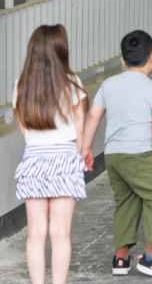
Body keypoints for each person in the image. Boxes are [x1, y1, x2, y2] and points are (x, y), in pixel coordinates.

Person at [83, 30, 152, 278]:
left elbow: (94, 116)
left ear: (123, 60)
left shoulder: (109, 84)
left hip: (113, 157)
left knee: (127, 201)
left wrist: (85, 148)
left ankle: (121, 259)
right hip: (138, 154)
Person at [13, 24, 88, 284]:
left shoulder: (21, 86)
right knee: (60, 234)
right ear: (61, 50)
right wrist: (74, 159)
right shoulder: (73, 83)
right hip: (65, 158)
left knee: (35, 234)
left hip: (33, 159)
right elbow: (79, 128)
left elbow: (24, 130)